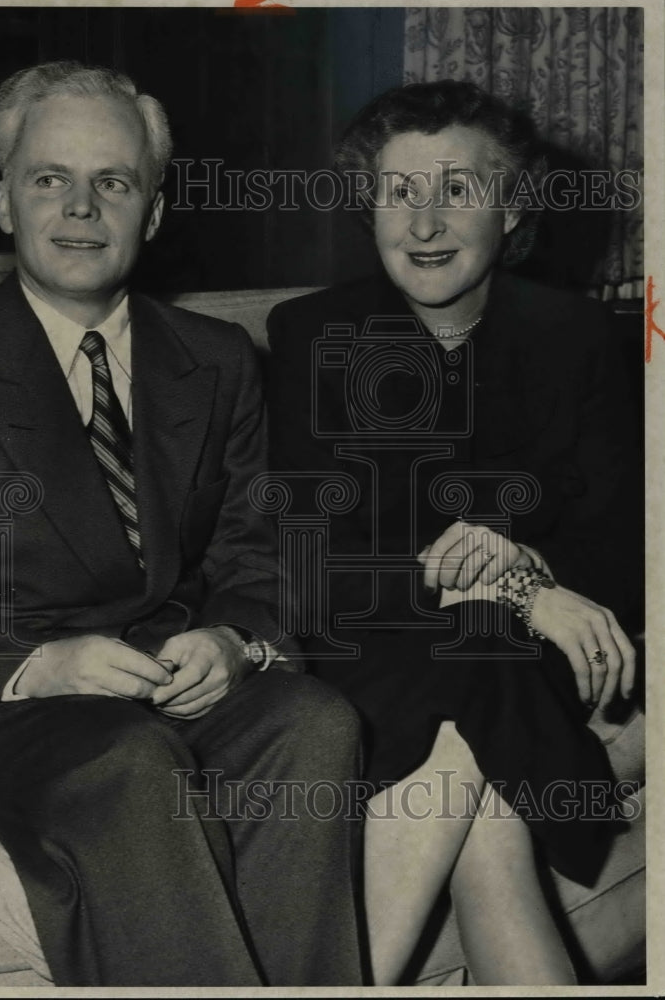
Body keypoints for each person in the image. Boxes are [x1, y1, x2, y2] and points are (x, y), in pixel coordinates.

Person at [0, 60, 365, 987]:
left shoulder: (216, 357)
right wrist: (38, 667)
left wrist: (237, 639)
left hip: (165, 682)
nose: (82, 208)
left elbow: (257, 545)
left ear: (152, 213)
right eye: (51, 179)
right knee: (128, 759)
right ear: (4, 203)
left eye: (113, 182)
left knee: (313, 724)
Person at [266, 80, 643, 985]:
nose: (424, 221)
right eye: (399, 191)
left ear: (511, 207)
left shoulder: (577, 335)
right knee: (478, 671)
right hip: (370, 636)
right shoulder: (313, 332)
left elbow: (628, 539)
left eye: (457, 189)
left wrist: (528, 566)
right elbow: (310, 560)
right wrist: (515, 587)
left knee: (483, 733)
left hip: (515, 648)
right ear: (371, 206)